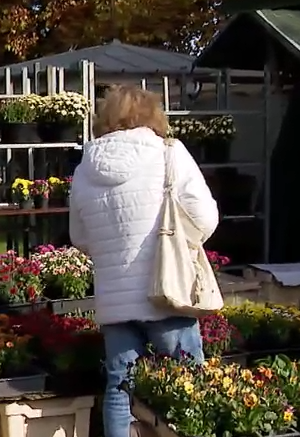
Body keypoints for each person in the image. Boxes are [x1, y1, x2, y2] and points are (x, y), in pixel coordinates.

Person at [67, 86, 219, 437]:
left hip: (115, 300)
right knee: (188, 383)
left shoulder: (85, 167)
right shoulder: (169, 153)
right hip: (166, 292)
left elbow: (80, 236)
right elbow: (205, 218)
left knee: (120, 387)